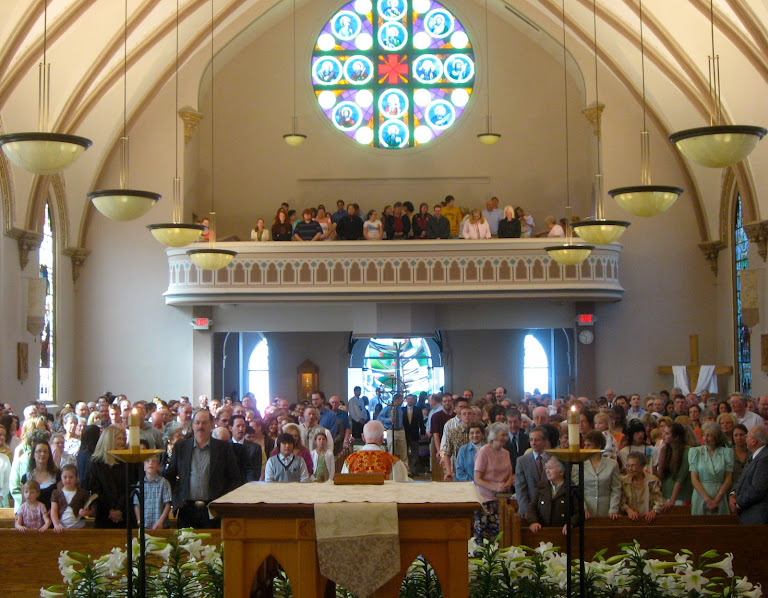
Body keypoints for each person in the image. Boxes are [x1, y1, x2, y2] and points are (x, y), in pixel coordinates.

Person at [164, 408, 243, 528]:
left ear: (212, 425)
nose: (200, 426)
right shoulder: (181, 447)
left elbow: (234, 478)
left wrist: (222, 502)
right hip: (187, 510)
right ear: (192, 425)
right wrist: (177, 498)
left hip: (213, 511)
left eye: (204, 423)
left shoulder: (223, 448)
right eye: (197, 422)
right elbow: (170, 476)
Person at [473, 422, 513, 542]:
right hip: (486, 500)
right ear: (494, 435)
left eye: (507, 435)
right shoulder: (484, 452)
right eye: (503, 435)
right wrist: (495, 487)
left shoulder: (506, 453)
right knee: (486, 537)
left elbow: (510, 474)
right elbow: (477, 479)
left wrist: (508, 483)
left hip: (502, 500)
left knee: (502, 536)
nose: (506, 438)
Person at [89, 425, 133, 528]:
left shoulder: (126, 462)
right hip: (104, 514)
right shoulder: (96, 463)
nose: (122, 442)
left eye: (123, 439)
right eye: (119, 438)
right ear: (109, 440)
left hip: (124, 514)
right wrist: (110, 510)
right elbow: (96, 490)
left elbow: (128, 488)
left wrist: (119, 510)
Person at [688, 422, 733, 515]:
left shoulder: (727, 453)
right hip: (700, 495)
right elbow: (694, 479)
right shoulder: (695, 452)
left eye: (709, 435)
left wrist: (716, 500)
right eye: (704, 435)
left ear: (716, 437)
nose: (705, 438)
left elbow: (728, 479)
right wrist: (707, 499)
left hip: (719, 494)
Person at [341, 420, 408, 481]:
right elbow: (402, 486)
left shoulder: (350, 460)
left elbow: (344, 486)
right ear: (382, 439)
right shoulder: (393, 461)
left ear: (363, 437)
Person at [730, 425, 768, 524]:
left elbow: (758, 488)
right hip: (748, 513)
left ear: (754, 441)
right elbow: (741, 479)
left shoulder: (765, 458)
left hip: (757, 515)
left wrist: (738, 503)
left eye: (747, 436)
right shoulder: (755, 456)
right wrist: (733, 494)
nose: (745, 439)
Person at [580, 431, 621, 518]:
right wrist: (582, 508)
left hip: (606, 510)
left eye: (589, 445)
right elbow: (577, 489)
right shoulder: (580, 464)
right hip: (586, 511)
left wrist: (613, 509)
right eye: (585, 445)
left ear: (599, 446)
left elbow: (616, 489)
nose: (585, 448)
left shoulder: (612, 464)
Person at [528, 457, 572, 535]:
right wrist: (533, 522)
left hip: (563, 532)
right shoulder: (541, 487)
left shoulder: (570, 488)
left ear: (561, 472)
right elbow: (532, 507)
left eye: (550, 468)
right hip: (542, 531)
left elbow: (577, 512)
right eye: (546, 468)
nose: (547, 471)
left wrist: (570, 523)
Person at [514, 426, 549, 518]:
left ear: (545, 441)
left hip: (549, 509)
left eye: (537, 440)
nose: (533, 443)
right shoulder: (522, 461)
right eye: (531, 440)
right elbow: (520, 488)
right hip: (529, 508)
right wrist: (526, 511)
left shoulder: (552, 458)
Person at [657, 422, 693, 510]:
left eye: (667, 433)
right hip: (666, 493)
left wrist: (672, 500)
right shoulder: (665, 450)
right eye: (663, 432)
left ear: (676, 437)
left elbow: (681, 477)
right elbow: (661, 475)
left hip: (682, 496)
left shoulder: (687, 451)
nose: (663, 435)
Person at [620, 453, 664, 522]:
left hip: (649, 519)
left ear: (642, 466)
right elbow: (621, 501)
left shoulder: (653, 480)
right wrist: (629, 511)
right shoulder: (623, 481)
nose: (629, 469)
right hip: (628, 519)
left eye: (633, 465)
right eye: (628, 465)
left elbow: (659, 501)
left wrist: (653, 511)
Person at [134, 454, 173, 529]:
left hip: (161, 525)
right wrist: (139, 521)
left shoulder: (164, 483)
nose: (151, 463)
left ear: (158, 466)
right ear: (144, 467)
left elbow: (167, 505)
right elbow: (136, 505)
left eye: (154, 461)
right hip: (144, 525)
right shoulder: (140, 484)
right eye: (147, 461)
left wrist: (160, 521)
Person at [50, 463, 93, 531]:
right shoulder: (56, 493)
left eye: (71, 477)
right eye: (65, 477)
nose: (68, 480)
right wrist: (56, 524)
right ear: (61, 477)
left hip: (79, 527)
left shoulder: (83, 493)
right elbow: (54, 510)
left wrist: (85, 513)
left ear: (76, 478)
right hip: (61, 528)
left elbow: (92, 509)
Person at [21, 440, 59, 511]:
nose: (42, 454)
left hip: (52, 517)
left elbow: (61, 500)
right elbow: (23, 502)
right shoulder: (26, 477)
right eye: (39, 451)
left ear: (49, 455)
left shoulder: (57, 476)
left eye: (45, 451)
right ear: (33, 454)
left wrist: (52, 511)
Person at [378, 395, 408, 470]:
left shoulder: (400, 409)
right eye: (401, 399)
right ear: (397, 399)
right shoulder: (388, 408)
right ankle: (391, 468)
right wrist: (389, 420)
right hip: (391, 430)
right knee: (391, 448)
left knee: (403, 450)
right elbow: (379, 418)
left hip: (400, 430)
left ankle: (405, 468)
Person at [402, 394, 425, 474]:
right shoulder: (402, 410)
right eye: (408, 399)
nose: (410, 401)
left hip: (415, 434)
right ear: (406, 400)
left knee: (415, 452)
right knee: (404, 453)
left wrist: (422, 432)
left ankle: (414, 470)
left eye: (411, 399)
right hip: (404, 434)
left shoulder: (418, 410)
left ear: (414, 401)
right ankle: (406, 470)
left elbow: (421, 422)